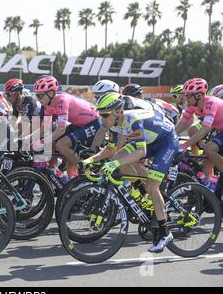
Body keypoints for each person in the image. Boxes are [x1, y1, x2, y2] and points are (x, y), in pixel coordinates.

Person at [81, 92, 178, 253]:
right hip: (150, 141)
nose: (102, 119)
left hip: (166, 141)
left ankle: (164, 233)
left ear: (117, 112)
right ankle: (144, 194)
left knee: (153, 186)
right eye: (100, 114)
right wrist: (90, 160)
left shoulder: (133, 119)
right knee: (118, 156)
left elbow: (141, 152)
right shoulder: (114, 123)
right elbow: (111, 149)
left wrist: (115, 164)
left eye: (105, 115)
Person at [28, 75, 104, 179]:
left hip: (94, 123)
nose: (38, 98)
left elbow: (61, 129)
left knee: (61, 144)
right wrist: (26, 139)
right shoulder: (48, 106)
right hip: (80, 125)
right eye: (37, 96)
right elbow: (44, 128)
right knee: (54, 143)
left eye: (40, 96)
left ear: (50, 93)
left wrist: (41, 142)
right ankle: (60, 174)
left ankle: (86, 168)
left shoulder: (62, 101)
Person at [177, 78, 223, 187]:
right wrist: (168, 136)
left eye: (188, 95)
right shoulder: (191, 105)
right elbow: (182, 124)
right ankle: (210, 184)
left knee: (209, 148)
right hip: (219, 130)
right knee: (207, 156)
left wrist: (185, 145)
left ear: (199, 96)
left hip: (218, 130)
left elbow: (205, 128)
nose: (185, 98)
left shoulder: (211, 103)